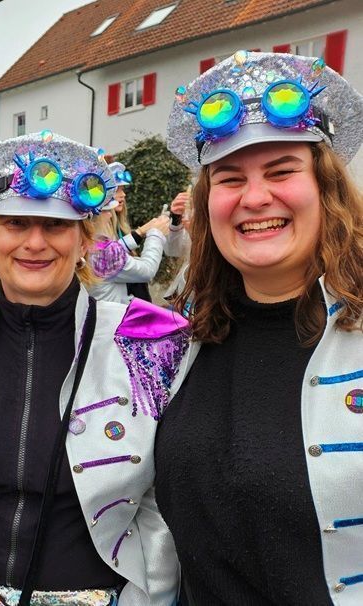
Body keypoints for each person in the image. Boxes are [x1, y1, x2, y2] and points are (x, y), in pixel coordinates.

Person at [0, 131, 190, 605]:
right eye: (17, 223)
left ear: (84, 239)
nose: (35, 242)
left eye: (56, 226)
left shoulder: (152, 340)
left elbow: (170, 501)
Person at [157, 50, 363, 604]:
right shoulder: (182, 340)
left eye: (281, 172)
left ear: (327, 191)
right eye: (229, 179)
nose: (254, 198)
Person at [86, 165, 169, 304]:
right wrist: (156, 234)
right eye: (106, 210)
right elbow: (147, 270)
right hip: (113, 322)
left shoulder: (86, 242)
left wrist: (140, 232)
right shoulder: (104, 251)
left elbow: (113, 251)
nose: (109, 215)